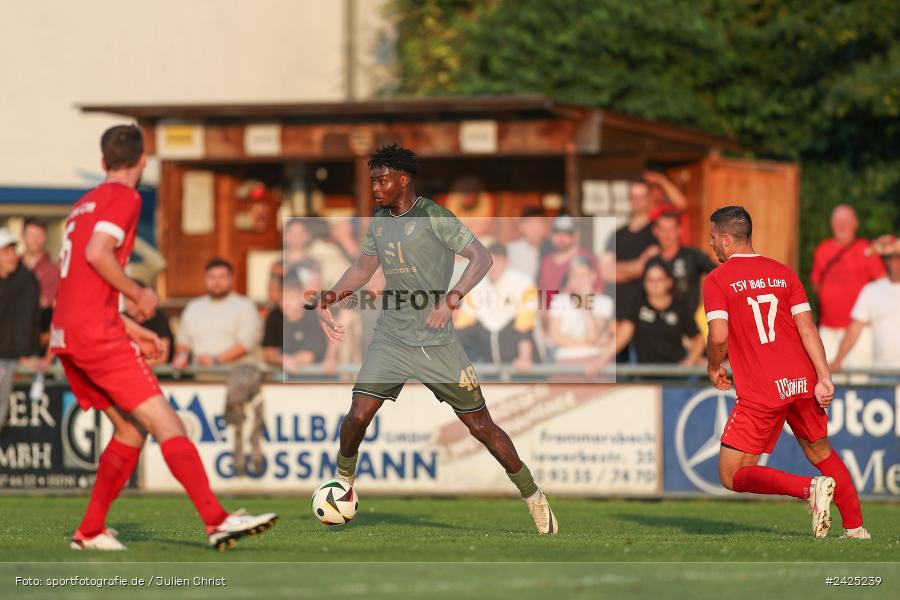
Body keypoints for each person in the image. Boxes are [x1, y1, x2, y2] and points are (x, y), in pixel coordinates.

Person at [312, 143, 557, 534]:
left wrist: (452, 298)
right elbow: (361, 268)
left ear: (403, 180)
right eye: (372, 180)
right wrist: (327, 297)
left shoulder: (435, 217)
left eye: (382, 180)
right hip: (391, 337)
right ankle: (344, 481)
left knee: (481, 427)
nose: (375, 187)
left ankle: (532, 495)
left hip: (435, 341)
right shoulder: (379, 222)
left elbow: (482, 258)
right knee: (358, 414)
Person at [51, 125, 275, 551]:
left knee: (131, 431)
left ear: (102, 163)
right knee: (167, 423)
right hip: (96, 336)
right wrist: (138, 294)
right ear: (142, 162)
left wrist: (128, 326)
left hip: (71, 334)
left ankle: (91, 530)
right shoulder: (124, 196)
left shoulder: (83, 204)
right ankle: (216, 520)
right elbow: (97, 254)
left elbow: (80, 283)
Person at [703, 206, 868, 540]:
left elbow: (719, 335)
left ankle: (809, 489)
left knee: (732, 474)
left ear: (725, 239)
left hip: (762, 388)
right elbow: (807, 327)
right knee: (821, 451)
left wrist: (713, 365)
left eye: (712, 240)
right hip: (801, 380)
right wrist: (824, 376)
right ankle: (855, 528)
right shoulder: (783, 272)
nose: (712, 246)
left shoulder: (717, 279)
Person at [811, 205, 884, 368]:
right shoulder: (822, 250)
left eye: (846, 221)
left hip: (859, 331)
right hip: (828, 329)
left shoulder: (867, 250)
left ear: (855, 223)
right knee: (825, 380)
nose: (841, 225)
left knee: (860, 382)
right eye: (837, 221)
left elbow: (882, 284)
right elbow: (816, 284)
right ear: (831, 224)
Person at [601, 179, 659, 362]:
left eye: (642, 197)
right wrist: (634, 266)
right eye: (634, 197)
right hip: (617, 315)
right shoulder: (617, 235)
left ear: (650, 199)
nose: (637, 201)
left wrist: (618, 268)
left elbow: (644, 269)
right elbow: (605, 272)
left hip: (645, 315)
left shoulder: (657, 233)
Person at [455, 242, 538, 369]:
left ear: (507, 262)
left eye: (497, 262)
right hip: (489, 365)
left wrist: (524, 358)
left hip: (521, 366)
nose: (493, 267)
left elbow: (524, 327)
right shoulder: (475, 284)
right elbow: (463, 326)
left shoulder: (523, 283)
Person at [173, 258, 260, 369]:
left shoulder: (245, 306)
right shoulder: (193, 307)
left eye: (222, 277)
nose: (216, 282)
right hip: (199, 374)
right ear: (205, 279)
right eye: (212, 277)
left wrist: (215, 360)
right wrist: (182, 357)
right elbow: (183, 342)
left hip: (237, 375)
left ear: (231, 279)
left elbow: (246, 344)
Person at [830, 235, 900, 371]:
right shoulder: (871, 290)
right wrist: (838, 360)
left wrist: (892, 241)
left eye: (898, 257)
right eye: (890, 257)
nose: (894, 262)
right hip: (883, 374)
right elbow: (854, 329)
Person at [614, 260, 704, 365]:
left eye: (659, 279)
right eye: (650, 280)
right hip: (645, 376)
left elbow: (698, 338)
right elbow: (624, 334)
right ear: (644, 283)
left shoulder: (679, 307)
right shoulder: (636, 304)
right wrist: (601, 360)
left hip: (675, 376)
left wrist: (688, 363)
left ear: (668, 282)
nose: (655, 284)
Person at [0, 228, 41, 434]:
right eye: (5, 251)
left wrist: (24, 355)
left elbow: (26, 325)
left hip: (11, 360)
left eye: (12, 250)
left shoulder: (26, 280)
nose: (11, 256)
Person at [546, 256, 614, 374]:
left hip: (597, 363)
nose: (579, 280)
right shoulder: (559, 301)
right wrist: (589, 345)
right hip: (566, 362)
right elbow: (556, 337)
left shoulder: (604, 302)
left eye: (583, 275)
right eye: (575, 276)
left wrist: (586, 304)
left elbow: (597, 337)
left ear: (592, 277)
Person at [262, 269, 336, 375]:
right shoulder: (274, 315)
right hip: (287, 380)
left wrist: (285, 360)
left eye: (291, 297)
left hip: (316, 379)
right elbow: (268, 352)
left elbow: (308, 357)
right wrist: (283, 360)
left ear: (301, 297)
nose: (286, 303)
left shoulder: (314, 315)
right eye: (282, 299)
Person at [652, 211, 716, 312]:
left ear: (680, 230)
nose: (666, 234)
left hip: (690, 322)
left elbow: (719, 274)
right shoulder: (652, 262)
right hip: (660, 322)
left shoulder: (693, 256)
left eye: (671, 229)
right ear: (655, 231)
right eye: (662, 229)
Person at [538, 214, 599, 306]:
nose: (561, 237)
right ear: (551, 234)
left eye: (567, 233)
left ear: (576, 235)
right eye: (557, 232)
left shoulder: (587, 257)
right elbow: (543, 297)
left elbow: (598, 293)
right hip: (552, 316)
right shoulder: (546, 262)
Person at [20, 218, 60, 349]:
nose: (35, 240)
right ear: (23, 236)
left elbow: (50, 308)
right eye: (31, 235)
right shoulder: (11, 265)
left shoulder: (53, 271)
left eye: (39, 235)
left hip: (38, 341)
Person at [123, 279, 173, 366]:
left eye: (132, 299)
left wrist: (130, 365)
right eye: (126, 299)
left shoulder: (158, 318)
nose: (129, 304)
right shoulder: (120, 318)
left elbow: (162, 357)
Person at [507, 207, 552, 281]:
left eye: (539, 224)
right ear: (521, 226)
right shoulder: (511, 250)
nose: (535, 229)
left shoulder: (553, 251)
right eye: (531, 224)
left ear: (546, 226)